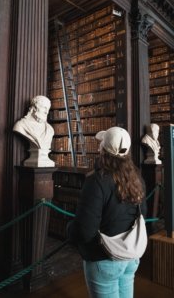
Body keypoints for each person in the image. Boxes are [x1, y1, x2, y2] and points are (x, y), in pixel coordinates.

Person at [67, 126, 147, 298]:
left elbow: (85, 230)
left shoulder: (96, 181)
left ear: (102, 150)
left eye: (100, 145)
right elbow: (143, 214)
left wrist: (70, 230)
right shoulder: (137, 178)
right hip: (130, 256)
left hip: (104, 259)